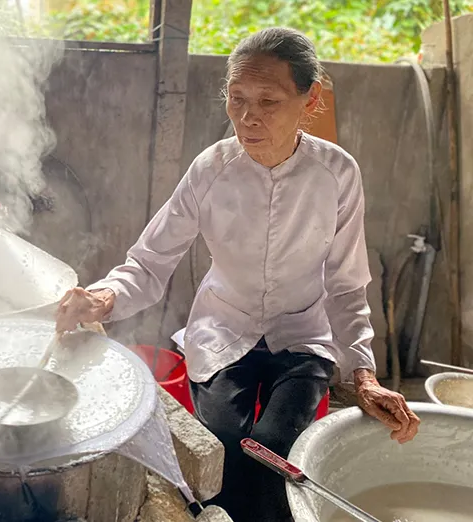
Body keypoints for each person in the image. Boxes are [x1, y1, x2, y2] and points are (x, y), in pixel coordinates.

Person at [54, 27, 421, 522]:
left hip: (303, 333)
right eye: (237, 98)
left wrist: (363, 374)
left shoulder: (337, 173)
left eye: (268, 101)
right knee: (222, 448)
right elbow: (149, 261)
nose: (248, 117)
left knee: (274, 451)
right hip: (223, 327)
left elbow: (345, 284)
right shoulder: (211, 169)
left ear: (310, 100)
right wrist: (102, 299)